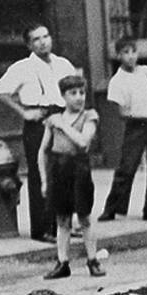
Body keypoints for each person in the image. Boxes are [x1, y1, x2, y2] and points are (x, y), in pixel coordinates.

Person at [0, 21, 75, 242]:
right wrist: (23, 112)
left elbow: (75, 90)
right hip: (39, 121)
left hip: (63, 119)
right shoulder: (22, 67)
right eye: (36, 39)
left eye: (45, 36)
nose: (42, 42)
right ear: (29, 45)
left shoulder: (63, 64)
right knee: (42, 173)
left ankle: (65, 224)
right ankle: (43, 228)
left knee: (67, 172)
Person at [99, 38, 147, 224]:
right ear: (118, 55)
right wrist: (141, 114)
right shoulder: (117, 81)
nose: (131, 56)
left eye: (133, 51)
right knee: (127, 168)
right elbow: (122, 112)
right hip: (137, 127)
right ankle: (112, 208)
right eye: (125, 52)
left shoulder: (146, 71)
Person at [37, 75, 103, 279]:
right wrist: (44, 180)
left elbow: (83, 142)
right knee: (62, 219)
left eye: (81, 92)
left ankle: (92, 260)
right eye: (73, 93)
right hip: (59, 170)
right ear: (63, 96)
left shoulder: (89, 116)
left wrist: (63, 126)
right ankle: (62, 262)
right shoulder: (53, 119)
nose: (78, 97)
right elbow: (43, 151)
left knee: (84, 217)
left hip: (79, 170)